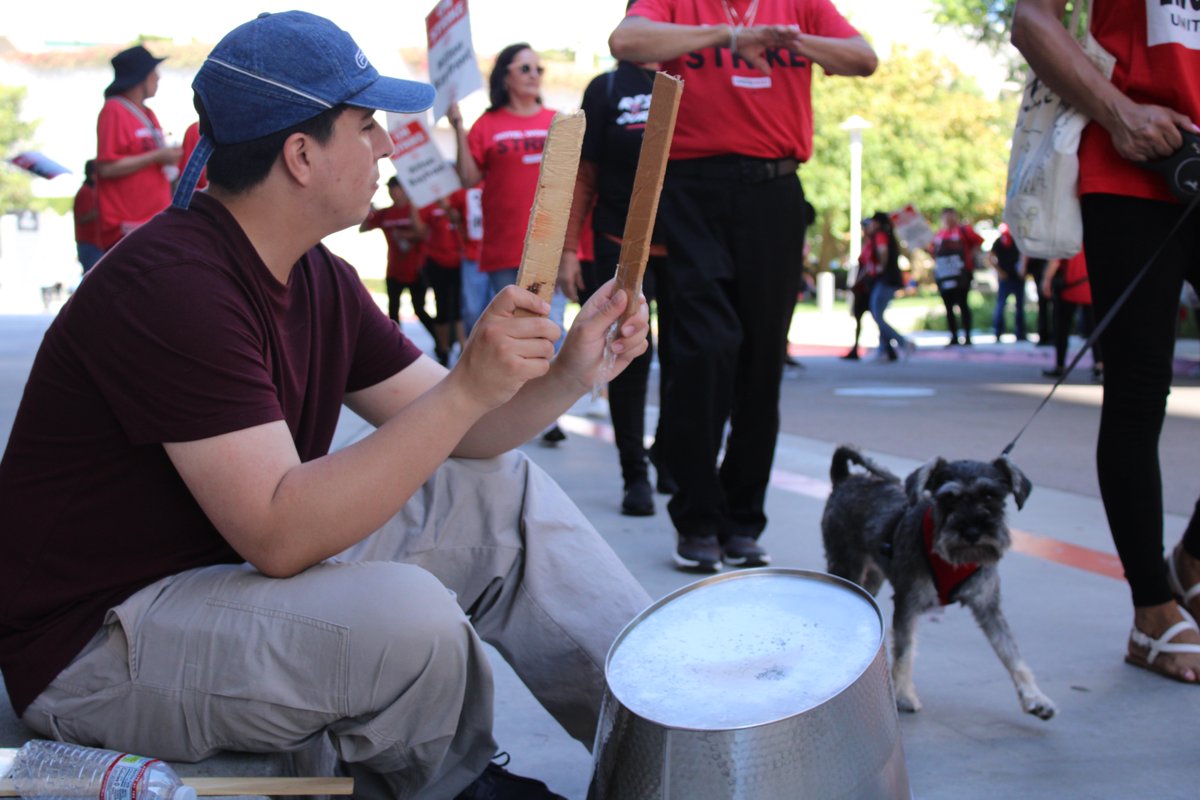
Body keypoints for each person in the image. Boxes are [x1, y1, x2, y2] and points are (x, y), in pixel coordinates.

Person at [0, 12, 653, 800]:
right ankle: (455, 785)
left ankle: (666, 743)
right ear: (301, 155)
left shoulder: (315, 277)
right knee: (407, 623)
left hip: (216, 577)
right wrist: (466, 385)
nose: (385, 146)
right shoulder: (173, 283)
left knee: (498, 494)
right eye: (367, 124)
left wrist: (573, 371)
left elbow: (470, 435)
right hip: (98, 644)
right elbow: (279, 531)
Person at [610, 0, 877, 571]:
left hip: (774, 192)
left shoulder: (801, 7)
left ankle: (742, 520)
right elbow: (627, 41)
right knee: (703, 349)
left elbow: (863, 58)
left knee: (761, 360)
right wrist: (730, 36)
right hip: (689, 189)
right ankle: (698, 516)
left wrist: (791, 41)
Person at [1014, 0, 1200, 682]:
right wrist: (1120, 112)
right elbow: (1032, 20)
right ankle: (1152, 607)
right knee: (1139, 387)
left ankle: (1193, 560)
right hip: (1137, 160)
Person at [558, 55, 674, 517]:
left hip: (689, 248)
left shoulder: (696, 73)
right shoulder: (607, 89)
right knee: (627, 354)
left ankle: (668, 455)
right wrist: (569, 248)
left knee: (688, 358)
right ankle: (635, 473)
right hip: (619, 244)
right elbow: (584, 175)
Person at [448, 43, 569, 445]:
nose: (534, 73)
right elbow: (467, 179)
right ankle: (516, 406)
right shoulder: (487, 124)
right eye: (524, 67)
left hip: (553, 247)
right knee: (519, 331)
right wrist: (458, 128)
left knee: (549, 328)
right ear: (506, 77)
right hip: (504, 248)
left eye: (538, 66)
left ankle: (544, 414)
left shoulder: (558, 121)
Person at [94, 45, 182, 250]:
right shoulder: (114, 110)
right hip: (127, 226)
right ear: (140, 78)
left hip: (152, 220)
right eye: (154, 73)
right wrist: (157, 156)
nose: (158, 78)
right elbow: (106, 167)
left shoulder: (149, 114)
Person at [359, 176, 436, 340]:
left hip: (416, 269)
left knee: (419, 309)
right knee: (393, 311)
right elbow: (363, 228)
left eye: (396, 189)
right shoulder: (386, 213)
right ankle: (397, 346)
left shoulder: (415, 210)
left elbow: (425, 234)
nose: (393, 193)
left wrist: (405, 233)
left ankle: (441, 344)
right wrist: (367, 210)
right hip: (393, 270)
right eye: (390, 189)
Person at [419, 192, 469, 365]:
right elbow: (421, 232)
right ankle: (443, 348)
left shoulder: (461, 199)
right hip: (437, 262)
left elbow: (467, 227)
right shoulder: (429, 205)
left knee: (460, 306)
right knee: (441, 305)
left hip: (460, 261)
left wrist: (449, 209)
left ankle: (463, 348)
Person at [1040, 252, 1102, 381]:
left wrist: (1046, 280)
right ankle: (1099, 365)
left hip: (1069, 289)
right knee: (1095, 330)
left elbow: (1055, 260)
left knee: (1061, 329)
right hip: (1089, 288)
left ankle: (1060, 365)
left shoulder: (1068, 236)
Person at [928, 207, 983, 346]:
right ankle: (953, 336)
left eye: (951, 216)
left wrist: (970, 256)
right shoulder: (939, 235)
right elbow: (933, 252)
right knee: (948, 307)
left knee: (963, 304)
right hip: (945, 276)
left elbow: (978, 242)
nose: (949, 219)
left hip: (962, 274)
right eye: (946, 216)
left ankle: (967, 336)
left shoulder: (963, 231)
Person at [866, 211, 913, 362]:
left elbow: (882, 251)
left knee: (877, 314)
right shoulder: (886, 234)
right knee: (878, 313)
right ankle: (884, 349)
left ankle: (902, 342)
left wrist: (881, 266)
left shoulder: (880, 235)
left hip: (885, 279)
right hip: (888, 279)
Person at [842, 218, 880, 361]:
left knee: (876, 317)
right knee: (860, 319)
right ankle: (855, 348)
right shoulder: (868, 244)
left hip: (866, 286)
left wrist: (856, 283)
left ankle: (888, 346)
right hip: (863, 286)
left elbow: (868, 267)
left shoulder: (873, 244)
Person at [990, 222, 1028, 341]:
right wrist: (1000, 271)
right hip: (1007, 277)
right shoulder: (1001, 241)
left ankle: (1017, 332)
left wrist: (1022, 269)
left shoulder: (1017, 240)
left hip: (1015, 277)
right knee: (1003, 305)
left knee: (1017, 306)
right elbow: (990, 257)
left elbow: (1024, 255)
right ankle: (999, 331)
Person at [72, 160, 103, 273]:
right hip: (89, 244)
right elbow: (82, 218)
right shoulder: (85, 192)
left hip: (93, 244)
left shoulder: (90, 190)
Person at [1023, 256, 1054, 345]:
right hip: (1041, 268)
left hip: (1044, 269)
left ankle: (1048, 335)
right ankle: (1045, 335)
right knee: (1045, 305)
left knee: (1047, 306)